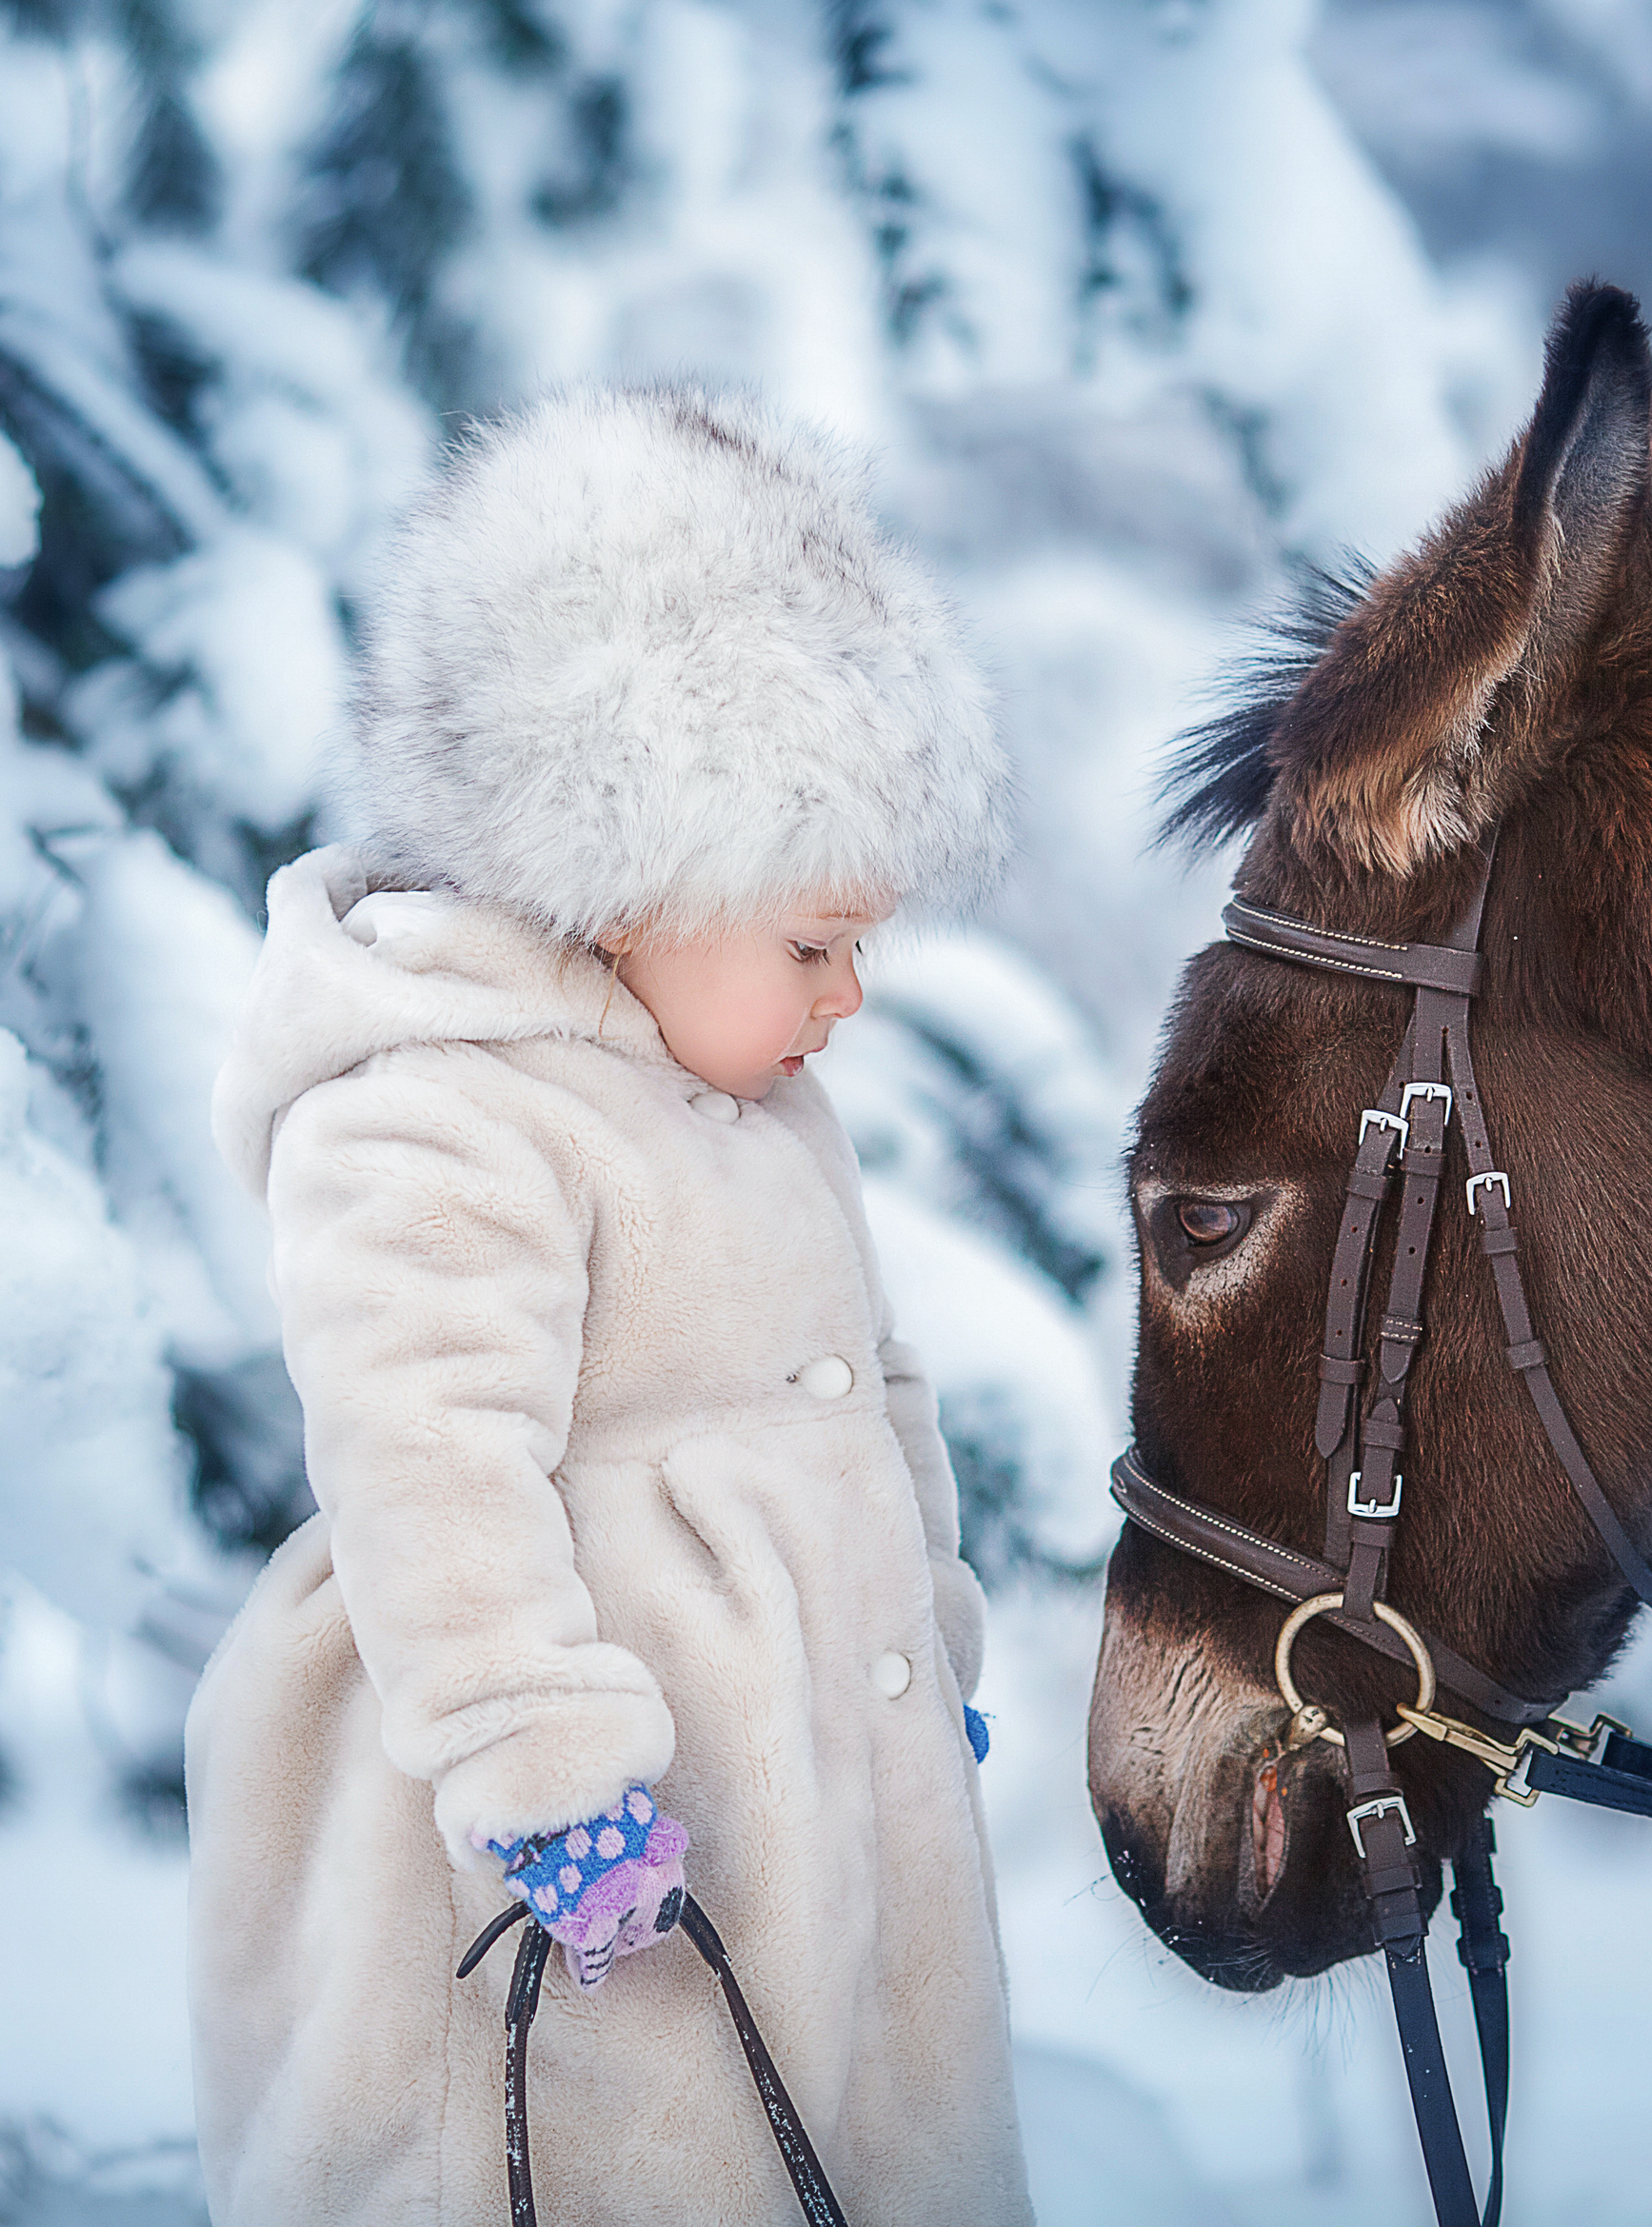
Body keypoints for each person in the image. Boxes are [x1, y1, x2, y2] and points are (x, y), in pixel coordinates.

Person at [185, 386, 1033, 2225]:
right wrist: (539, 1770)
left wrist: (921, 1635)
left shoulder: (765, 1113)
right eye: (815, 942)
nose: (849, 997)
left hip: (814, 1815)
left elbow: (874, 1390)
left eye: (862, 946)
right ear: (642, 873)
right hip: (556, 1842)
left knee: (835, 2150)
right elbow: (427, 1462)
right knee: (601, 2167)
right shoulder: (435, 1104)